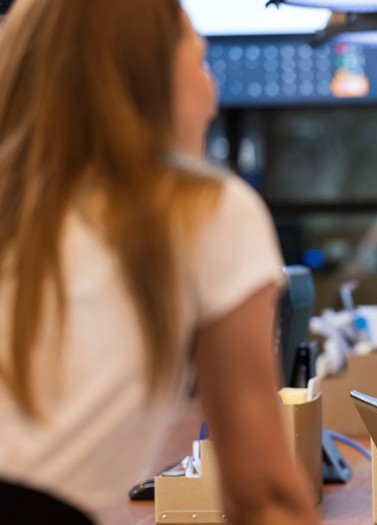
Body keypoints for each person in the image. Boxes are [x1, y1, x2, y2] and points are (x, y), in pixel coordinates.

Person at [0, 1, 318, 524]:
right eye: (198, 62)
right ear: (141, 79)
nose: (212, 98)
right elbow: (264, 497)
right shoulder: (203, 210)